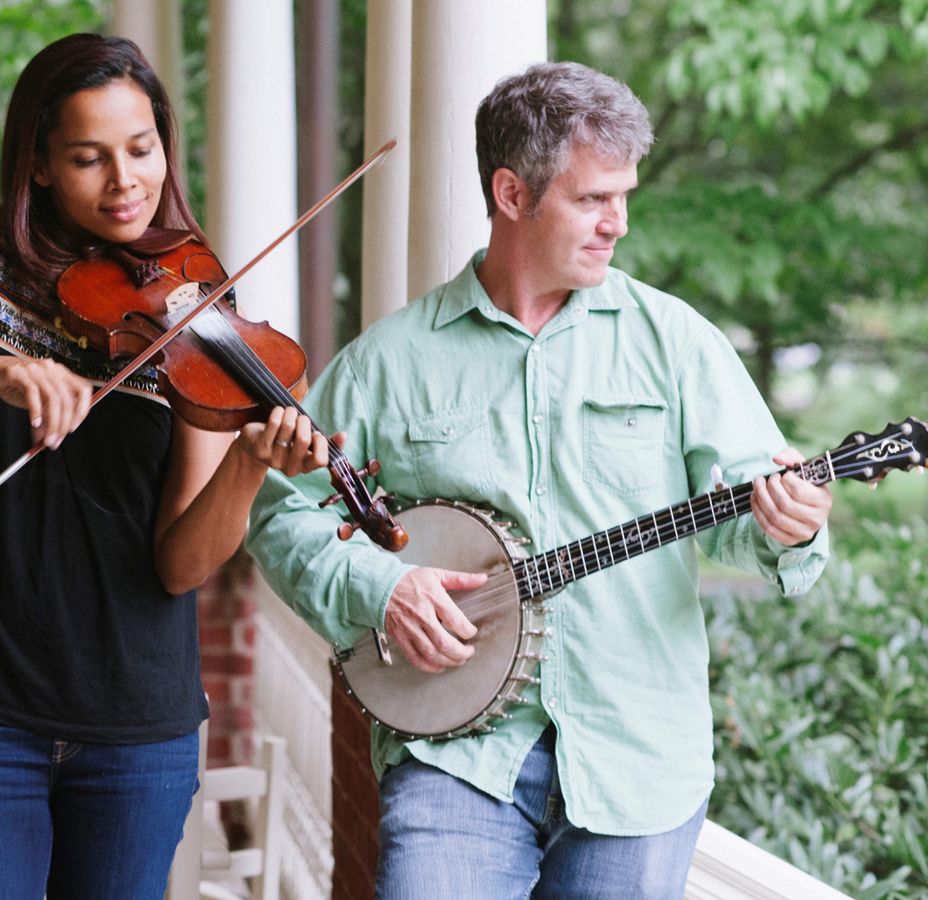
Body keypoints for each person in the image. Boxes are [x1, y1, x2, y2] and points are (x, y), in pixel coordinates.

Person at [246, 61, 833, 898]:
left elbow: (748, 514)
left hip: (636, 761)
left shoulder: (676, 343)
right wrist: (381, 588)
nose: (617, 225)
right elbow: (279, 515)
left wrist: (792, 523)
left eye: (624, 197)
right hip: (455, 757)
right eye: (592, 200)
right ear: (512, 194)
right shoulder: (389, 362)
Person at [0, 32, 328, 900]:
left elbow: (181, 563)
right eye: (88, 157)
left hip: (136, 729)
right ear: (39, 163)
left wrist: (249, 467)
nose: (124, 181)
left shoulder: (195, 300)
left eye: (141, 148)